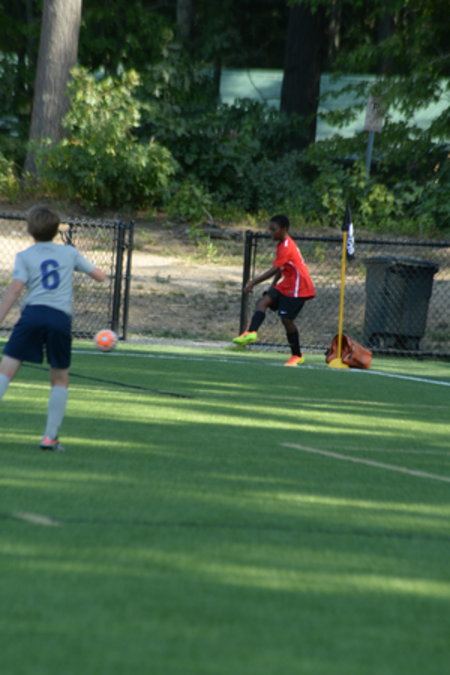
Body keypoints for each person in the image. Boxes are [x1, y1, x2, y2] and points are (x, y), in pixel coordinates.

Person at [0, 205, 106, 451]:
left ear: (29, 229)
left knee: (6, 371)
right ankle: (49, 437)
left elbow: (15, 290)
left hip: (33, 315)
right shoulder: (69, 253)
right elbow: (99, 276)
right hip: (60, 318)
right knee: (59, 378)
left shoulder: (25, 256)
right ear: (57, 230)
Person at [233, 214, 315, 366]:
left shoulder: (287, 247)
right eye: (270, 229)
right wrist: (274, 285)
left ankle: (297, 355)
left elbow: (275, 269)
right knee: (263, 301)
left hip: (298, 287)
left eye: (274, 230)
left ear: (284, 229)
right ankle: (250, 332)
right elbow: (282, 268)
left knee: (287, 320)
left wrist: (253, 282)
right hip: (287, 284)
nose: (271, 233)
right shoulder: (281, 244)